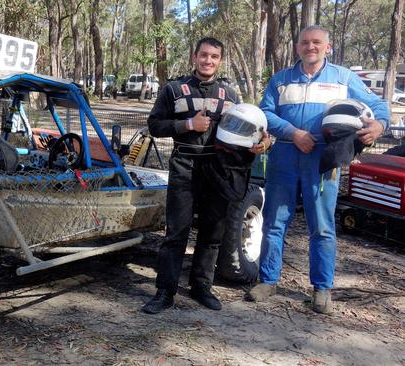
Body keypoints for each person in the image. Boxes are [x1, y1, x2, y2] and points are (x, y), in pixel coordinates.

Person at [246, 25, 389, 314]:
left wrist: (379, 125)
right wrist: (293, 133)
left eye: (316, 42)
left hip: (323, 163)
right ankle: (268, 280)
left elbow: (377, 105)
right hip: (284, 159)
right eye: (304, 43)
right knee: (274, 223)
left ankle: (322, 288)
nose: (310, 47)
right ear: (297, 47)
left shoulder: (344, 78)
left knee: (322, 227)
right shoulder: (281, 80)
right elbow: (266, 113)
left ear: (328, 47)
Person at [141, 37, 270, 314]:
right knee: (176, 233)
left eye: (214, 56)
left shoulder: (230, 95)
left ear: (220, 60)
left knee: (213, 233)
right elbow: (154, 125)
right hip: (184, 168)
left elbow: (247, 131)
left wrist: (261, 144)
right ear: (194, 56)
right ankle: (165, 292)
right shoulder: (173, 90)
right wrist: (189, 123)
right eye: (203, 55)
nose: (208, 60)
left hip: (219, 172)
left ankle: (201, 287)